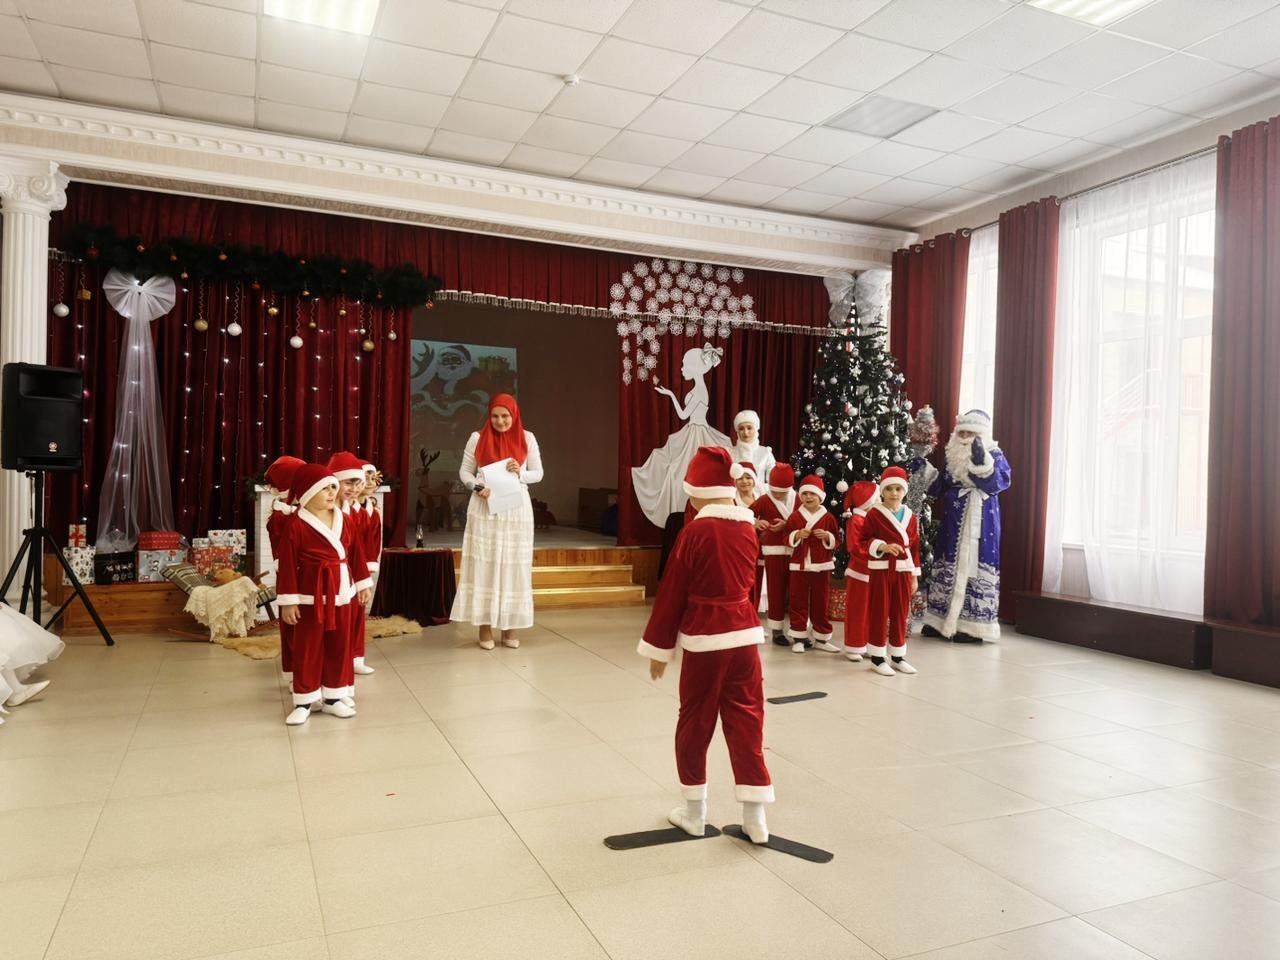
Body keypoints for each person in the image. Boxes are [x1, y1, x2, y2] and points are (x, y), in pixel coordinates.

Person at [639, 446, 773, 843]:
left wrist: (659, 648)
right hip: (744, 638)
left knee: (695, 721)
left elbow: (672, 593)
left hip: (705, 640)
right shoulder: (748, 529)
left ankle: (694, 812)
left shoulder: (693, 533)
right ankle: (755, 817)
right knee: (748, 719)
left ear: (698, 491)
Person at [276, 464, 372, 725]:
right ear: (308, 492)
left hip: (342, 592)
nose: (332, 492)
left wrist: (362, 584)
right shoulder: (295, 525)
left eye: (333, 487)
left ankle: (333, 697)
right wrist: (289, 601)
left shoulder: (345, 519)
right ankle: (305, 700)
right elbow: (287, 564)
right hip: (310, 596)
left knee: (339, 646)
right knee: (308, 648)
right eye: (325, 488)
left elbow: (356, 554)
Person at [451, 393, 543, 650]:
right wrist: (476, 486)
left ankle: (509, 628)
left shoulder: (527, 438)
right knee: (486, 565)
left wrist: (521, 473)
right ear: (489, 416)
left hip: (516, 509)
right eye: (495, 416)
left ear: (514, 415)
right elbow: (465, 471)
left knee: (513, 566)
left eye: (505, 416)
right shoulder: (477, 438)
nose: (500, 421)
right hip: (485, 507)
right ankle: (484, 628)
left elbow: (538, 473)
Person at [923, 410, 1012, 642]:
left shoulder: (995, 454)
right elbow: (940, 486)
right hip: (953, 519)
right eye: (961, 432)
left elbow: (999, 483)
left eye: (970, 433)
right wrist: (924, 470)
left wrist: (982, 464)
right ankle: (938, 619)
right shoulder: (953, 455)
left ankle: (972, 627)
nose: (964, 437)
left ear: (981, 434)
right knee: (947, 562)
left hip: (981, 519)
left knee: (975, 566)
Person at [632, 344, 733, 530]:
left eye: (685, 365)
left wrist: (670, 394)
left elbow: (683, 415)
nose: (681, 369)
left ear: (694, 367)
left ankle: (688, 517)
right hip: (693, 430)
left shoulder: (699, 390)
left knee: (682, 471)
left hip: (696, 433)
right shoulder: (698, 388)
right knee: (677, 469)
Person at [861, 467, 921, 676]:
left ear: (904, 491)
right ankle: (877, 658)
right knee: (879, 611)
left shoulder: (911, 517)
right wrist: (882, 546)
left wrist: (914, 576)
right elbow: (863, 541)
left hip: (904, 569)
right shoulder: (874, 514)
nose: (894, 493)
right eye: (889, 489)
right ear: (882, 491)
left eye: (898, 489)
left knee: (900, 612)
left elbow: (915, 548)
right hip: (881, 570)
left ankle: (897, 656)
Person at [328, 451, 376, 677]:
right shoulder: (328, 512)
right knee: (336, 619)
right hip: (335, 572)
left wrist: (365, 576)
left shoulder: (362, 514)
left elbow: (368, 545)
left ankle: (356, 657)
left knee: (357, 615)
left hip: (357, 571)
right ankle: (336, 661)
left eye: (359, 484)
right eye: (349, 483)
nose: (354, 489)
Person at [784, 474, 841, 654]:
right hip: (799, 564)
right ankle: (799, 637)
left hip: (822, 565)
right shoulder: (795, 517)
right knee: (797, 600)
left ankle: (821, 638)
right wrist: (796, 535)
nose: (808, 497)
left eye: (812, 494)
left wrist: (827, 537)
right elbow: (785, 537)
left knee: (821, 601)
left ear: (820, 497)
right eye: (804, 493)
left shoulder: (828, 518)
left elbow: (837, 540)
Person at [264, 454, 305, 685]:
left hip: (303, 576)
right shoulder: (282, 517)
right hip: (291, 578)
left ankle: (305, 671)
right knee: (292, 627)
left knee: (302, 627)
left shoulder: (297, 512)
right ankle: (294, 673)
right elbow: (284, 556)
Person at [752, 463, 796, 646]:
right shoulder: (763, 500)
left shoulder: (799, 499)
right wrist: (756, 522)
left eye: (781, 492)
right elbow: (746, 514)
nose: (777, 495)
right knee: (775, 590)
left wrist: (787, 525)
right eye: (774, 491)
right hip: (773, 552)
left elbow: (806, 521)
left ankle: (798, 630)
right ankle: (777, 630)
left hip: (795, 551)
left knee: (796, 592)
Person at [840, 480, 880, 663]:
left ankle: (869, 644)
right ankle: (854, 644)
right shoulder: (856, 521)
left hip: (874, 572)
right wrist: (877, 552)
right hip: (860, 571)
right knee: (857, 610)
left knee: (872, 610)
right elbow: (855, 547)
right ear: (867, 501)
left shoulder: (873, 519)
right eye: (877, 498)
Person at [729, 410, 776, 482]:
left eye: (749, 428)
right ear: (737, 431)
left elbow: (773, 480)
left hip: (759, 489)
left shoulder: (765, 452)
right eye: (741, 429)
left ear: (756, 429)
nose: (745, 432)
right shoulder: (730, 453)